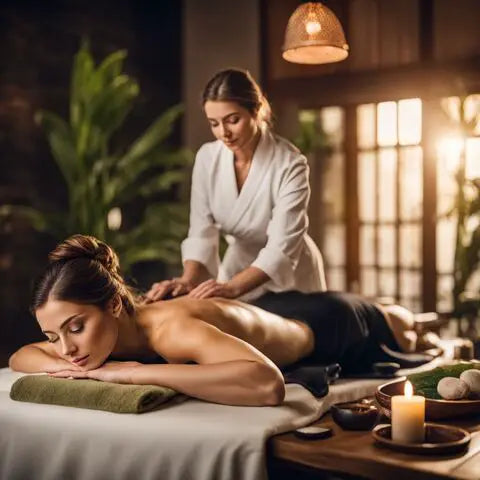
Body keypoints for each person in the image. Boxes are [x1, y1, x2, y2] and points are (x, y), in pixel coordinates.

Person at [10, 235, 439, 407]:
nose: (65, 348)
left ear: (114, 306)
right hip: (269, 310)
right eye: (53, 335)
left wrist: (125, 374)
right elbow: (21, 356)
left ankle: (414, 319)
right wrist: (67, 366)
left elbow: (267, 385)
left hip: (330, 324)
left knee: (400, 325)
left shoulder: (172, 330)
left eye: (75, 328)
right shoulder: (87, 341)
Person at [145, 68, 326, 303]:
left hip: (290, 275)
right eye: (214, 123)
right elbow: (202, 233)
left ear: (257, 110)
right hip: (238, 265)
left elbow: (281, 248)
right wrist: (187, 280)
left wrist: (231, 288)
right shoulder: (207, 158)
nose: (224, 133)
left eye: (233, 120)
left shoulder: (290, 163)